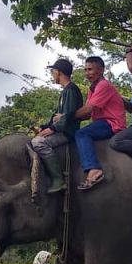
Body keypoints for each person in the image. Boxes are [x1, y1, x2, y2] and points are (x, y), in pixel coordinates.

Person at [30, 58, 84, 194]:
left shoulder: (71, 90)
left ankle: (58, 179)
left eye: (53, 71)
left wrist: (51, 129)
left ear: (58, 72)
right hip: (61, 129)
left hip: (67, 132)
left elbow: (67, 116)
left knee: (38, 143)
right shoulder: (65, 91)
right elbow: (57, 116)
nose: (52, 74)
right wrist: (44, 127)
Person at [74, 56, 127, 191]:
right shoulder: (92, 89)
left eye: (90, 69)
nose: (87, 73)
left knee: (81, 134)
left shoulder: (104, 85)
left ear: (101, 70)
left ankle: (94, 169)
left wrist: (66, 117)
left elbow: (87, 109)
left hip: (112, 124)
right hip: (102, 122)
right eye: (85, 70)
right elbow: (86, 114)